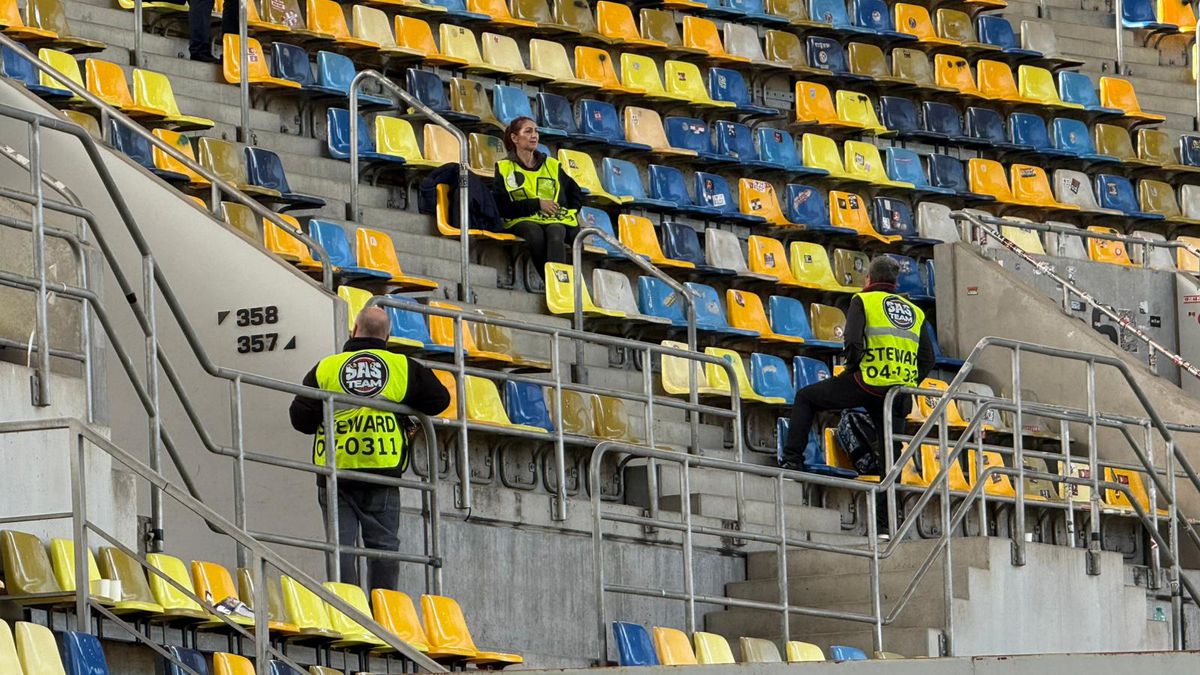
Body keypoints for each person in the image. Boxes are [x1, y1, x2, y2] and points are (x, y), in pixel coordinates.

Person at [289, 306, 450, 589]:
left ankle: (346, 612)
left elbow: (300, 419)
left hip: (336, 471)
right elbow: (439, 401)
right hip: (382, 472)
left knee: (341, 548)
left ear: (354, 330)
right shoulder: (403, 367)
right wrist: (399, 406)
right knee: (384, 548)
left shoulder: (327, 367)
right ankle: (383, 614)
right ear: (387, 335)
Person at [779, 256, 934, 472]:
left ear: (869, 279)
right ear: (895, 283)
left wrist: (851, 369)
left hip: (866, 382)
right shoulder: (915, 311)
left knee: (806, 398)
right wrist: (908, 380)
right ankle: (889, 506)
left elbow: (852, 341)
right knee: (891, 456)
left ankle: (792, 460)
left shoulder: (863, 300)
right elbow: (928, 358)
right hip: (898, 392)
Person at [490, 116, 584, 279]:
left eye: (536, 131)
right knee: (533, 232)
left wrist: (570, 212)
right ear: (514, 138)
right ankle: (553, 284)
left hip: (553, 218)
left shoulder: (552, 165)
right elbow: (502, 206)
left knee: (557, 231)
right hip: (520, 218)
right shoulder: (504, 167)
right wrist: (537, 204)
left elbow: (575, 192)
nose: (534, 135)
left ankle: (561, 286)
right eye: (528, 131)